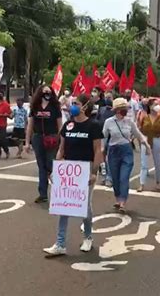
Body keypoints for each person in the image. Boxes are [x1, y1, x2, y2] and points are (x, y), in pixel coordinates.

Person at [43, 95, 103, 256]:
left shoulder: (93, 126)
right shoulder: (68, 125)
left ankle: (88, 237)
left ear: (84, 107)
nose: (72, 106)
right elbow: (61, 149)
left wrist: (93, 172)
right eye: (72, 103)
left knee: (85, 207)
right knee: (64, 206)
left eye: (75, 103)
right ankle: (60, 243)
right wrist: (56, 170)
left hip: (85, 169)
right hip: (69, 170)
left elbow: (98, 150)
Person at [103, 98, 150, 213]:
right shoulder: (109, 122)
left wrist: (147, 145)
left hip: (126, 151)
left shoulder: (129, 122)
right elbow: (103, 137)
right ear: (117, 110)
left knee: (124, 177)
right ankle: (118, 198)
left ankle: (122, 202)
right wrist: (101, 150)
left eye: (126, 109)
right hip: (113, 151)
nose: (126, 111)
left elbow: (138, 134)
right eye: (123, 109)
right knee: (115, 177)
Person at [24, 85, 62, 203]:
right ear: (40, 93)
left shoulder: (55, 107)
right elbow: (30, 126)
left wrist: (61, 142)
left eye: (49, 92)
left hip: (52, 138)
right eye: (45, 92)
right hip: (38, 138)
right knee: (41, 166)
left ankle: (60, 191)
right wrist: (27, 142)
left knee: (51, 165)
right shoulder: (35, 107)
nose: (47, 94)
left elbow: (60, 126)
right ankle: (43, 193)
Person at [137, 99, 160, 192]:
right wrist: (141, 141)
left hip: (157, 140)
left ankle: (158, 182)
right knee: (144, 164)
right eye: (155, 104)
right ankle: (142, 184)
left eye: (158, 104)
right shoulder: (144, 118)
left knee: (157, 163)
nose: (157, 106)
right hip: (146, 140)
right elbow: (139, 130)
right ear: (150, 107)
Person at [97, 92, 115, 187]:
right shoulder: (101, 109)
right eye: (106, 97)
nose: (108, 99)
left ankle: (109, 178)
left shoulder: (115, 111)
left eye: (109, 97)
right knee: (102, 158)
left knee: (110, 158)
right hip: (102, 135)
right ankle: (104, 177)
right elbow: (97, 120)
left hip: (112, 136)